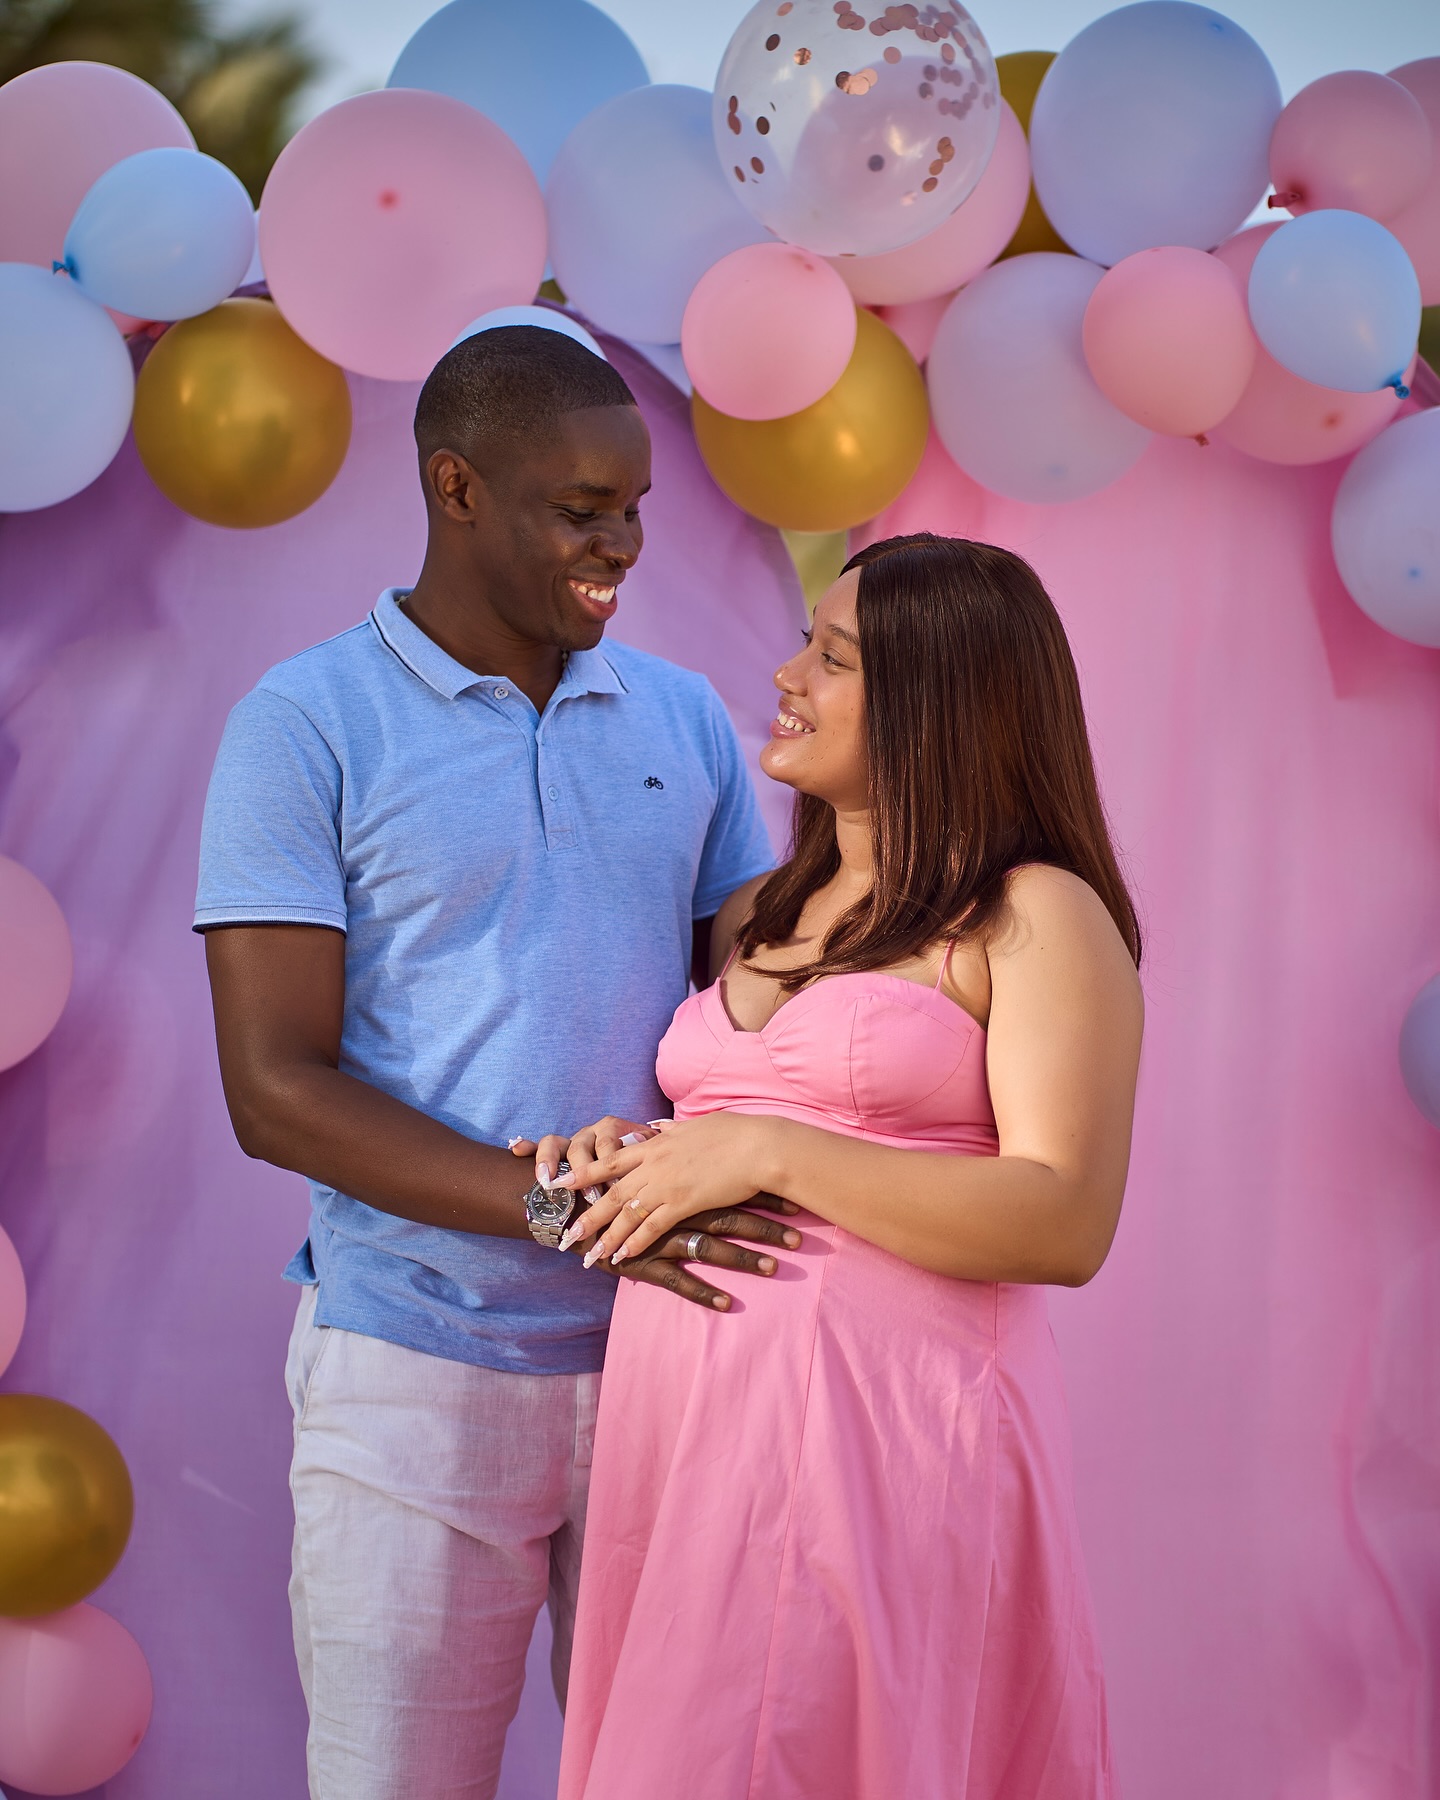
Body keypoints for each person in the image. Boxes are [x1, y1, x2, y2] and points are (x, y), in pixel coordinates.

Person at [193, 327, 796, 1800]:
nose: (624, 545)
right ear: (456, 488)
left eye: (638, 507)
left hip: (671, 1364)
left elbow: (762, 1018)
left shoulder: (683, 721)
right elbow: (276, 1088)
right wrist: (562, 1207)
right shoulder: (304, 724)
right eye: (583, 509)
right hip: (411, 1377)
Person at [548, 533, 1145, 1800]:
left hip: (889, 1456)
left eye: (831, 657)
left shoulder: (1033, 914)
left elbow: (1064, 1217)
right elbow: (729, 1121)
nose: (785, 674)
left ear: (940, 700)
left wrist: (768, 1147)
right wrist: (637, 1158)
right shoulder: (760, 910)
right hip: (693, 1450)